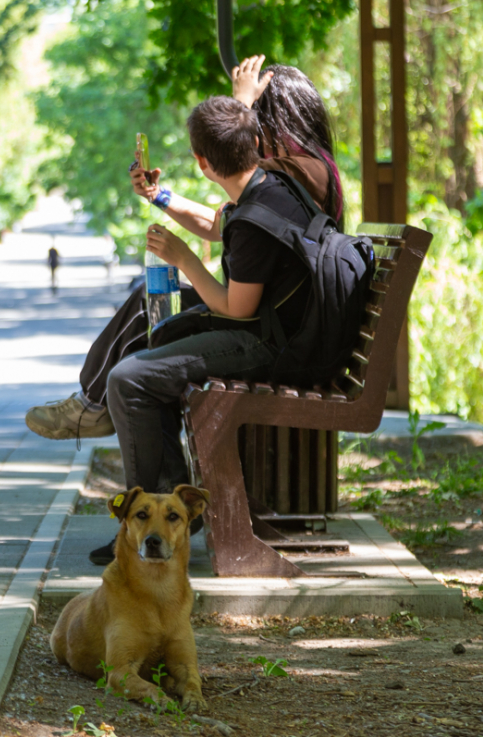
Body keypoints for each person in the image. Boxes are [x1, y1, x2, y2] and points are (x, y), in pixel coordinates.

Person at [24, 57, 342, 442]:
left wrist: (239, 105)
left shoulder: (301, 173)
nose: (246, 121)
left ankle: (94, 407)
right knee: (152, 301)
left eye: (253, 112)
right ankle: (92, 403)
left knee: (150, 333)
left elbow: (235, 294)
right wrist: (159, 196)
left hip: (272, 333)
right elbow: (217, 225)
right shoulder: (280, 179)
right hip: (264, 318)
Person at [85, 95, 326, 564]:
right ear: (256, 142)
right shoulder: (270, 184)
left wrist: (184, 260)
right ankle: (164, 513)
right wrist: (161, 197)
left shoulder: (256, 218)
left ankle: (155, 521)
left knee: (129, 379)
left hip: (270, 344)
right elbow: (219, 225)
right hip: (287, 332)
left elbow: (236, 308)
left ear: (201, 161)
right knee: (152, 346)